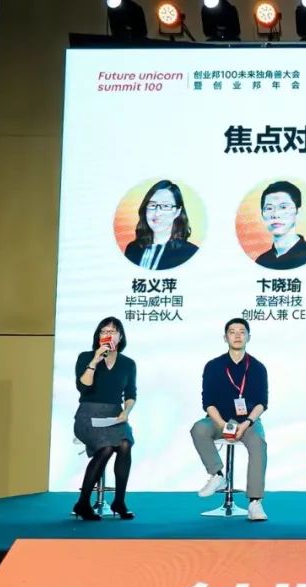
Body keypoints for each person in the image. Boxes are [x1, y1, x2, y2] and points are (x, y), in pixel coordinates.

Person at [192, 319, 270, 521]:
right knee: (199, 429)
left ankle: (255, 502)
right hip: (218, 420)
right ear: (225, 337)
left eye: (242, 332)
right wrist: (222, 425)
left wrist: (246, 423)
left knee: (258, 443)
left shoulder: (258, 367)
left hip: (247, 422)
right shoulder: (213, 366)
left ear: (248, 337)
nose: (237, 335)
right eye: (232, 332)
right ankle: (217, 475)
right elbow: (208, 402)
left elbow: (262, 403)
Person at [72, 317, 136, 520]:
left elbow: (131, 393)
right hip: (88, 414)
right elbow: (83, 387)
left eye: (112, 331)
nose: (108, 335)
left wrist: (126, 411)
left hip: (115, 415)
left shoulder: (128, 363)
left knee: (125, 444)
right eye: (104, 331)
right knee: (106, 448)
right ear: (98, 336)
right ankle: (83, 503)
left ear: (120, 336)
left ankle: (119, 501)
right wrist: (95, 361)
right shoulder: (86, 357)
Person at [123, 180, 199, 270]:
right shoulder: (132, 249)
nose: (157, 213)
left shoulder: (191, 253)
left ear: (177, 212)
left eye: (166, 206)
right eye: (152, 205)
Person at [253, 180, 306, 270]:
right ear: (262, 214)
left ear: (298, 212)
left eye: (283, 207)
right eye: (269, 208)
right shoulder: (261, 261)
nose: (275, 214)